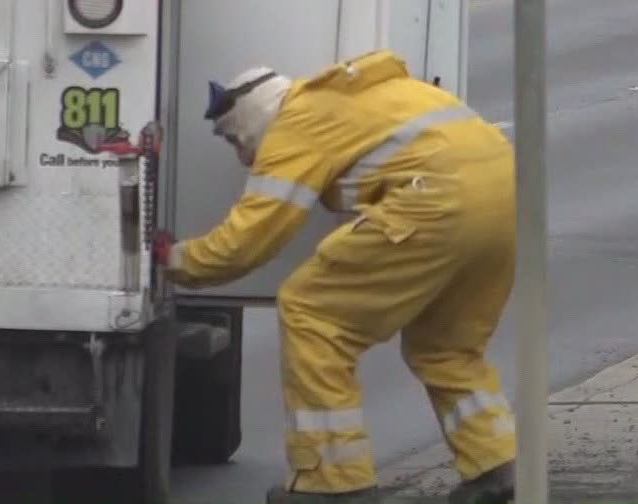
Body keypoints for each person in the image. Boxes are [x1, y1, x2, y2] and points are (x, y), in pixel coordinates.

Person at [160, 53, 518, 504]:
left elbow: (250, 239)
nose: (245, 159)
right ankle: (496, 467)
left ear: (252, 122)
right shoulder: (361, 99)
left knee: (312, 314)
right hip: (502, 198)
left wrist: (175, 261)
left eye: (237, 143)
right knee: (446, 347)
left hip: (434, 204)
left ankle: (333, 482)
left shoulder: (297, 123)